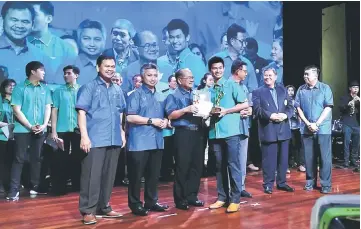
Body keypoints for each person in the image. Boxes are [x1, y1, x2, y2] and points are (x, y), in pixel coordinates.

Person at [76, 55, 126, 225]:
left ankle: (103, 207)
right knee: (91, 176)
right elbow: (81, 112)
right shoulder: (88, 87)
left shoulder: (117, 89)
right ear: (98, 67)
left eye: (113, 66)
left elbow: (120, 111)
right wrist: (84, 136)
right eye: (107, 66)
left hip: (113, 138)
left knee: (109, 175)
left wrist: (122, 132)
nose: (110, 69)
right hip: (95, 138)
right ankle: (88, 210)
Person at [126, 63, 169, 216]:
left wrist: (165, 121)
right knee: (136, 177)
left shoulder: (160, 95)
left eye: (155, 75)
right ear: (142, 77)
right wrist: (151, 121)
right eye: (149, 75)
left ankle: (151, 201)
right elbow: (130, 116)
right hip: (139, 142)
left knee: (153, 175)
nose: (152, 78)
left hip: (157, 141)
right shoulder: (135, 95)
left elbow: (165, 115)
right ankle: (135, 204)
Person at [207, 57, 249, 213]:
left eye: (219, 68)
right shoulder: (209, 90)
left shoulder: (231, 84)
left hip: (231, 131)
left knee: (233, 164)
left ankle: (235, 199)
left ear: (223, 69)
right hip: (214, 132)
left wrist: (226, 110)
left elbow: (244, 103)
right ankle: (222, 197)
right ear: (210, 70)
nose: (217, 70)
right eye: (214, 68)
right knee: (219, 166)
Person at [7, 61, 52, 201]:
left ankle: (35, 186)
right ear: (33, 71)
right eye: (42, 70)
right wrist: (29, 126)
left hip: (40, 129)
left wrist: (44, 125)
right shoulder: (20, 88)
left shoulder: (44, 88)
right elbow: (16, 109)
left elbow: (47, 107)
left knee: (37, 158)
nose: (44, 73)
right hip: (23, 129)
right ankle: (13, 190)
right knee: (19, 158)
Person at [165, 68, 205, 210]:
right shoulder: (173, 95)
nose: (192, 79)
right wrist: (185, 109)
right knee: (183, 166)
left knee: (197, 166)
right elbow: (170, 115)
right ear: (180, 80)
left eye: (193, 77)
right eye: (188, 77)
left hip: (198, 132)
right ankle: (180, 199)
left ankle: (192, 196)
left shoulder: (196, 94)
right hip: (183, 133)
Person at [253, 67, 295, 194]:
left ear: (275, 76)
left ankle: (282, 183)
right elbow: (257, 110)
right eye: (265, 75)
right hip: (268, 129)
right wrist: (270, 115)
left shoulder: (283, 90)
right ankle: (268, 184)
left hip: (283, 129)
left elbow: (290, 106)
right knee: (269, 160)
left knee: (283, 159)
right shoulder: (257, 92)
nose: (268, 77)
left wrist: (286, 115)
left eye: (270, 75)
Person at [295, 65, 333, 194]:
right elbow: (298, 108)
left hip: (323, 129)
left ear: (315, 76)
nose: (305, 76)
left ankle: (325, 185)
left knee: (324, 157)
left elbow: (328, 107)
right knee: (309, 157)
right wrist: (308, 123)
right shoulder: (301, 89)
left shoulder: (325, 88)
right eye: (304, 74)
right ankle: (310, 182)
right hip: (306, 129)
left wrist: (317, 123)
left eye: (307, 74)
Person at [50, 65, 81, 195]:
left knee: (77, 158)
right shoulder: (58, 91)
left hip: (78, 129)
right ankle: (59, 187)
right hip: (62, 129)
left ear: (76, 75)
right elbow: (54, 110)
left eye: (68, 73)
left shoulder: (82, 90)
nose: (65, 75)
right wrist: (53, 130)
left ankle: (77, 186)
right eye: (64, 73)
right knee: (60, 159)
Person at [167, 19, 206, 86]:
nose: (175, 41)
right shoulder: (177, 61)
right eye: (172, 37)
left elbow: (203, 90)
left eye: (178, 37)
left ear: (187, 37)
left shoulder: (194, 61)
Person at [338, 81, 360, 168]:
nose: (356, 89)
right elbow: (341, 108)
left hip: (356, 123)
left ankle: (354, 161)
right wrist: (349, 104)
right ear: (350, 88)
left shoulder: (358, 99)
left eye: (357, 88)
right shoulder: (344, 98)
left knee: (356, 143)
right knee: (346, 143)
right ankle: (346, 161)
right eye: (354, 87)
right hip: (347, 123)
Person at [0, 79, 16, 194]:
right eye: (9, 86)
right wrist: (7, 125)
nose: (11, 87)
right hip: (2, 135)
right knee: (2, 162)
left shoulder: (17, 101)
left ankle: (12, 185)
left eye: (14, 86)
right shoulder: (1, 100)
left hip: (15, 136)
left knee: (13, 161)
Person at [286, 85, 305, 172]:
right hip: (287, 126)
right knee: (288, 146)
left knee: (297, 145)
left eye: (292, 90)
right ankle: (287, 165)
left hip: (296, 126)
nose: (290, 92)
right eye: (289, 90)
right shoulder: (284, 101)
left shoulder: (296, 101)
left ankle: (299, 163)